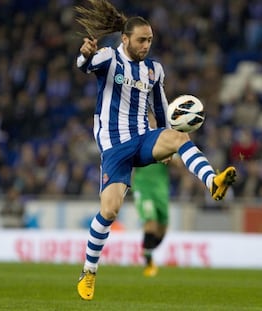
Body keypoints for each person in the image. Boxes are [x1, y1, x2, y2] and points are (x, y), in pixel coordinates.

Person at [74, 0, 236, 301]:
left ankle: (213, 182)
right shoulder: (109, 58)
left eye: (150, 40)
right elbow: (86, 66)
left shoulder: (154, 70)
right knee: (109, 211)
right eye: (141, 40)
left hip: (143, 137)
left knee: (178, 137)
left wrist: (168, 139)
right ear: (126, 39)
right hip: (113, 145)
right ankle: (89, 271)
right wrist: (85, 55)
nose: (146, 45)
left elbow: (161, 110)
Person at [133, 162, 169, 277]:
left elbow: (178, 163)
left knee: (162, 227)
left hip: (160, 189)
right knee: (150, 221)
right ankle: (149, 262)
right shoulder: (137, 143)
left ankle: (147, 249)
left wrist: (173, 159)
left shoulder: (166, 143)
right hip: (143, 187)